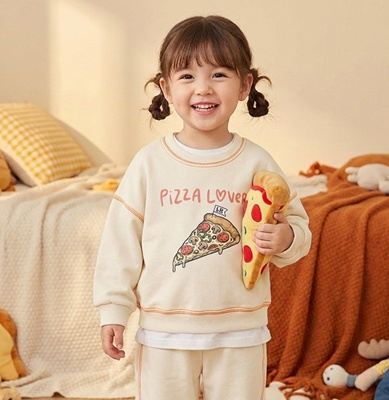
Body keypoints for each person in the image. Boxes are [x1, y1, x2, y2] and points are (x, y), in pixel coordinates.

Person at [94, 15, 311, 400]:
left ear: (245, 85)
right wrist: (113, 309)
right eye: (187, 76)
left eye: (219, 74)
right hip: (164, 333)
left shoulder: (257, 162)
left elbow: (298, 227)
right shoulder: (149, 164)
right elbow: (119, 244)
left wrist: (286, 237)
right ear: (166, 87)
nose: (203, 88)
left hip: (241, 332)